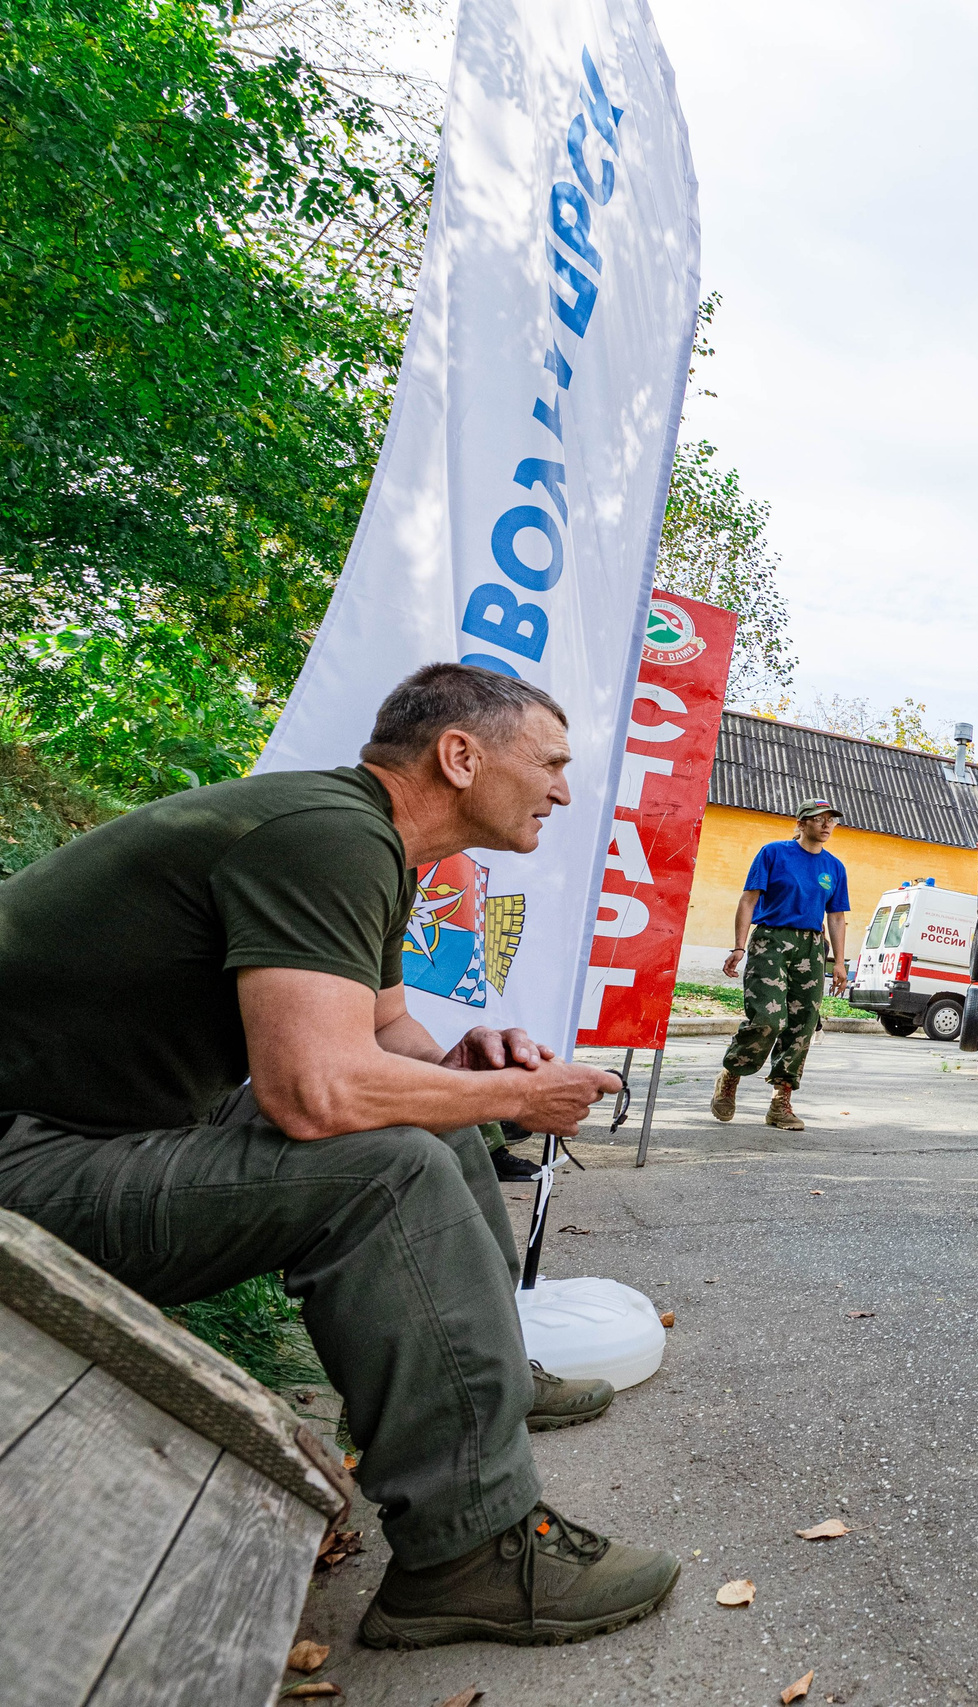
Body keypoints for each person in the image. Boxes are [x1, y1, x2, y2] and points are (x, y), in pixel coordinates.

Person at [0, 663, 678, 1649]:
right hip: (27, 1162)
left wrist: (465, 1066)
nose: (565, 791)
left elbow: (384, 1044)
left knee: (434, 1118)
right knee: (385, 1167)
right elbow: (315, 1094)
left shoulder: (373, 848)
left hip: (98, 1136)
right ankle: (470, 1554)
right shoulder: (331, 837)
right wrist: (518, 1097)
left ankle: (489, 1375)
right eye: (550, 764)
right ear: (459, 755)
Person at [710, 798, 851, 1133]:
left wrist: (839, 964)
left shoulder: (834, 867)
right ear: (801, 823)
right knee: (768, 1019)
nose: (827, 825)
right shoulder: (773, 853)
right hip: (771, 941)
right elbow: (749, 899)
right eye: (819, 819)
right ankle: (731, 1074)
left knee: (803, 1024)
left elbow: (836, 916)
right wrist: (739, 946)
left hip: (812, 948)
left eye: (831, 820)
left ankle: (780, 1102)